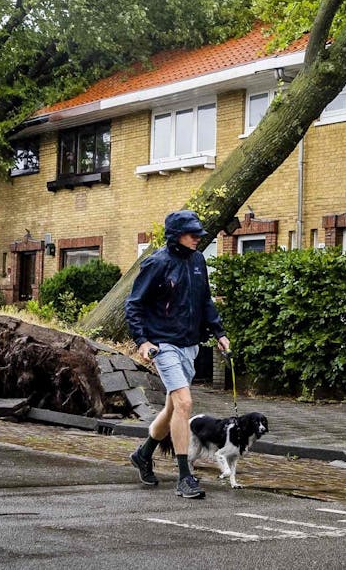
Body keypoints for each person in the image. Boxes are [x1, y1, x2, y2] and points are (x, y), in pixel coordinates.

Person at [125, 209, 230, 499]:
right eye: (191, 233)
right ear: (175, 235)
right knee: (185, 403)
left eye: (199, 233)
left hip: (189, 344)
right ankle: (185, 477)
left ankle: (143, 454)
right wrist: (142, 341)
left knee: (173, 408)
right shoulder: (157, 263)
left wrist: (219, 333)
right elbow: (133, 305)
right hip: (163, 344)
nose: (198, 238)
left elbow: (205, 300)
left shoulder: (198, 261)